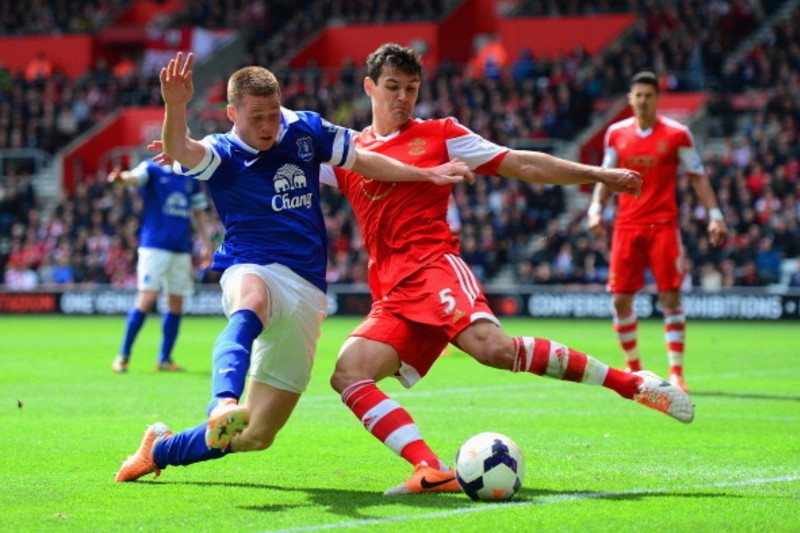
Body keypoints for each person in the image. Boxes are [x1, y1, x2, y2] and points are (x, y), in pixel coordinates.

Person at [322, 43, 693, 497]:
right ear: (369, 87)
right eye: (393, 87)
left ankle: (630, 384)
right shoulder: (347, 152)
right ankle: (429, 468)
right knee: (347, 372)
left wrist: (599, 174)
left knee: (492, 350)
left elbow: (521, 162)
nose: (403, 98)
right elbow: (288, 166)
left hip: (435, 268)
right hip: (391, 293)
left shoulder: (440, 135)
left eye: (412, 89)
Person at [114, 52, 472, 482]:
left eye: (272, 115)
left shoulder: (306, 129)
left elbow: (363, 160)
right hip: (251, 264)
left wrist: (424, 173)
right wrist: (175, 106)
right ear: (232, 114)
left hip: (306, 287)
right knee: (253, 299)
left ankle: (162, 447)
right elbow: (180, 149)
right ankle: (222, 402)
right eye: (256, 117)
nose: (268, 127)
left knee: (257, 435)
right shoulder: (223, 152)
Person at [587, 71, 728, 393]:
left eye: (649, 95)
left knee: (670, 296)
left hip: (663, 225)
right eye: (638, 95)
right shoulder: (616, 134)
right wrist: (596, 209)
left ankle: (676, 373)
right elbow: (605, 176)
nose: (643, 101)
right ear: (630, 98)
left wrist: (715, 215)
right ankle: (634, 368)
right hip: (626, 226)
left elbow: (698, 175)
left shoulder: (677, 134)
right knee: (621, 299)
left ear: (656, 99)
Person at [109, 158, 212, 373]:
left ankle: (164, 359)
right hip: (154, 247)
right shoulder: (152, 169)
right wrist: (121, 179)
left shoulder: (190, 175)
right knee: (147, 299)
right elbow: (133, 178)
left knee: (176, 303)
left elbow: (199, 212)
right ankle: (123, 355)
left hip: (180, 248)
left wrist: (207, 243)